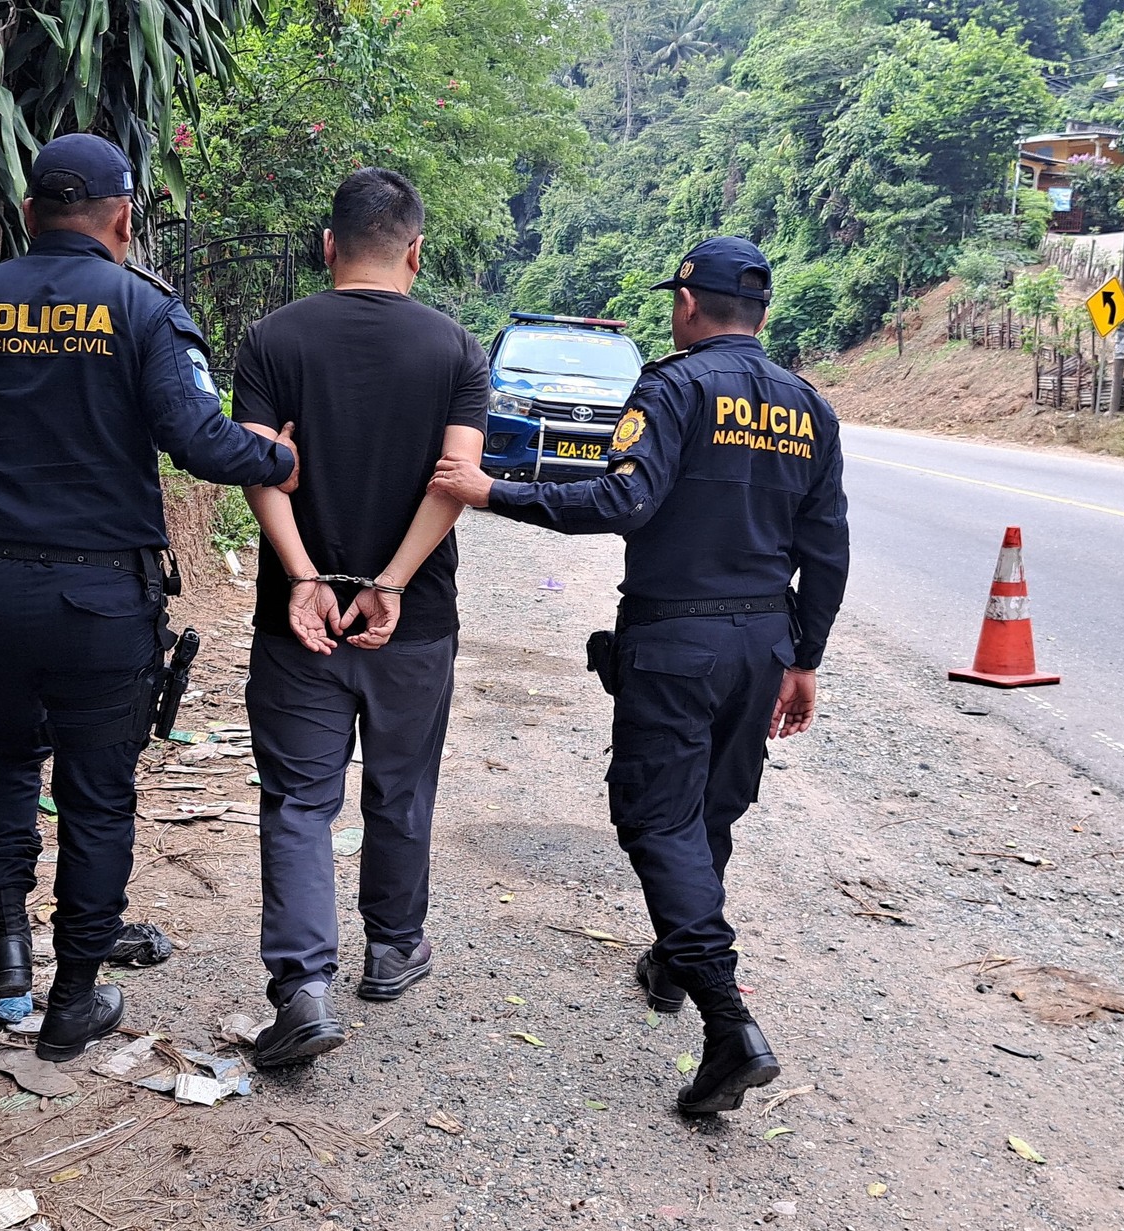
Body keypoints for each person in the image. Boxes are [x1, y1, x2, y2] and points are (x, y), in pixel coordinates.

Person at [0, 134, 300, 1063]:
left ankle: (7, 952)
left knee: (1, 763)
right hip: (102, 601)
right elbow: (201, 441)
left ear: (26, 215)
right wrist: (281, 458)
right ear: (123, 218)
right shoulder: (145, 312)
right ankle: (77, 995)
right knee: (99, 795)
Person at [428, 235, 849, 1113]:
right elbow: (828, 548)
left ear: (689, 304)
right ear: (761, 314)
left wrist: (492, 490)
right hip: (761, 644)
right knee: (710, 813)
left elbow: (623, 500)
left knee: (658, 820)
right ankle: (671, 963)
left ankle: (729, 1023)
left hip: (676, 644)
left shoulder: (675, 386)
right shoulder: (811, 408)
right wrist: (804, 657)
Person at [230, 168, 489, 1068]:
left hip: (295, 616)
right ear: (415, 252)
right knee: (401, 785)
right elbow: (454, 482)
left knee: (300, 799)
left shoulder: (272, 338)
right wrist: (391, 579)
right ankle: (391, 948)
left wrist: (306, 576)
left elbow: (260, 466)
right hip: (410, 620)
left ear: (329, 245)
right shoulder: (456, 348)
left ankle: (302, 987)